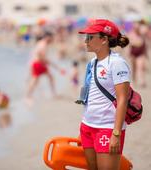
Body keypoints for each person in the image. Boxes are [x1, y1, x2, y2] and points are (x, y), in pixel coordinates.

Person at [77, 19, 131, 170]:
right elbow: (89, 96)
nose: (85, 41)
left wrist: (116, 133)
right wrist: (83, 127)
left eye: (90, 37)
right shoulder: (92, 62)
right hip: (87, 126)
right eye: (85, 37)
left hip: (107, 127)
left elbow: (122, 99)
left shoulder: (117, 63)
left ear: (104, 40)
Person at [26, 31, 64, 101]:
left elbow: (34, 54)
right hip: (38, 64)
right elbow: (43, 58)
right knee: (35, 80)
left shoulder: (40, 43)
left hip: (37, 63)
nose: (52, 40)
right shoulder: (43, 45)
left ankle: (30, 95)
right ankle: (28, 96)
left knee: (48, 78)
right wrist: (57, 67)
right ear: (47, 37)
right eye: (51, 38)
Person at [128, 20, 149, 88]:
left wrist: (146, 54)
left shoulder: (142, 34)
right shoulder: (131, 34)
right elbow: (129, 44)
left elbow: (145, 44)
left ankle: (142, 81)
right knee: (134, 68)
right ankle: (134, 80)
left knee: (140, 67)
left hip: (140, 53)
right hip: (133, 53)